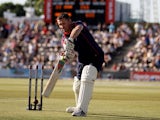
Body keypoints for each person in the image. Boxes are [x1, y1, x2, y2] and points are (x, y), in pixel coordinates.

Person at [56, 13, 104, 117]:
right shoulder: (64, 38)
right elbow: (70, 54)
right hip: (82, 60)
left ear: (69, 20)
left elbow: (77, 29)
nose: (62, 26)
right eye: (60, 24)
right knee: (77, 86)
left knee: (87, 74)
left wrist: (70, 40)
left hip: (95, 56)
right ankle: (78, 105)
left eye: (64, 23)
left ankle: (82, 110)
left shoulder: (78, 24)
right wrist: (66, 55)